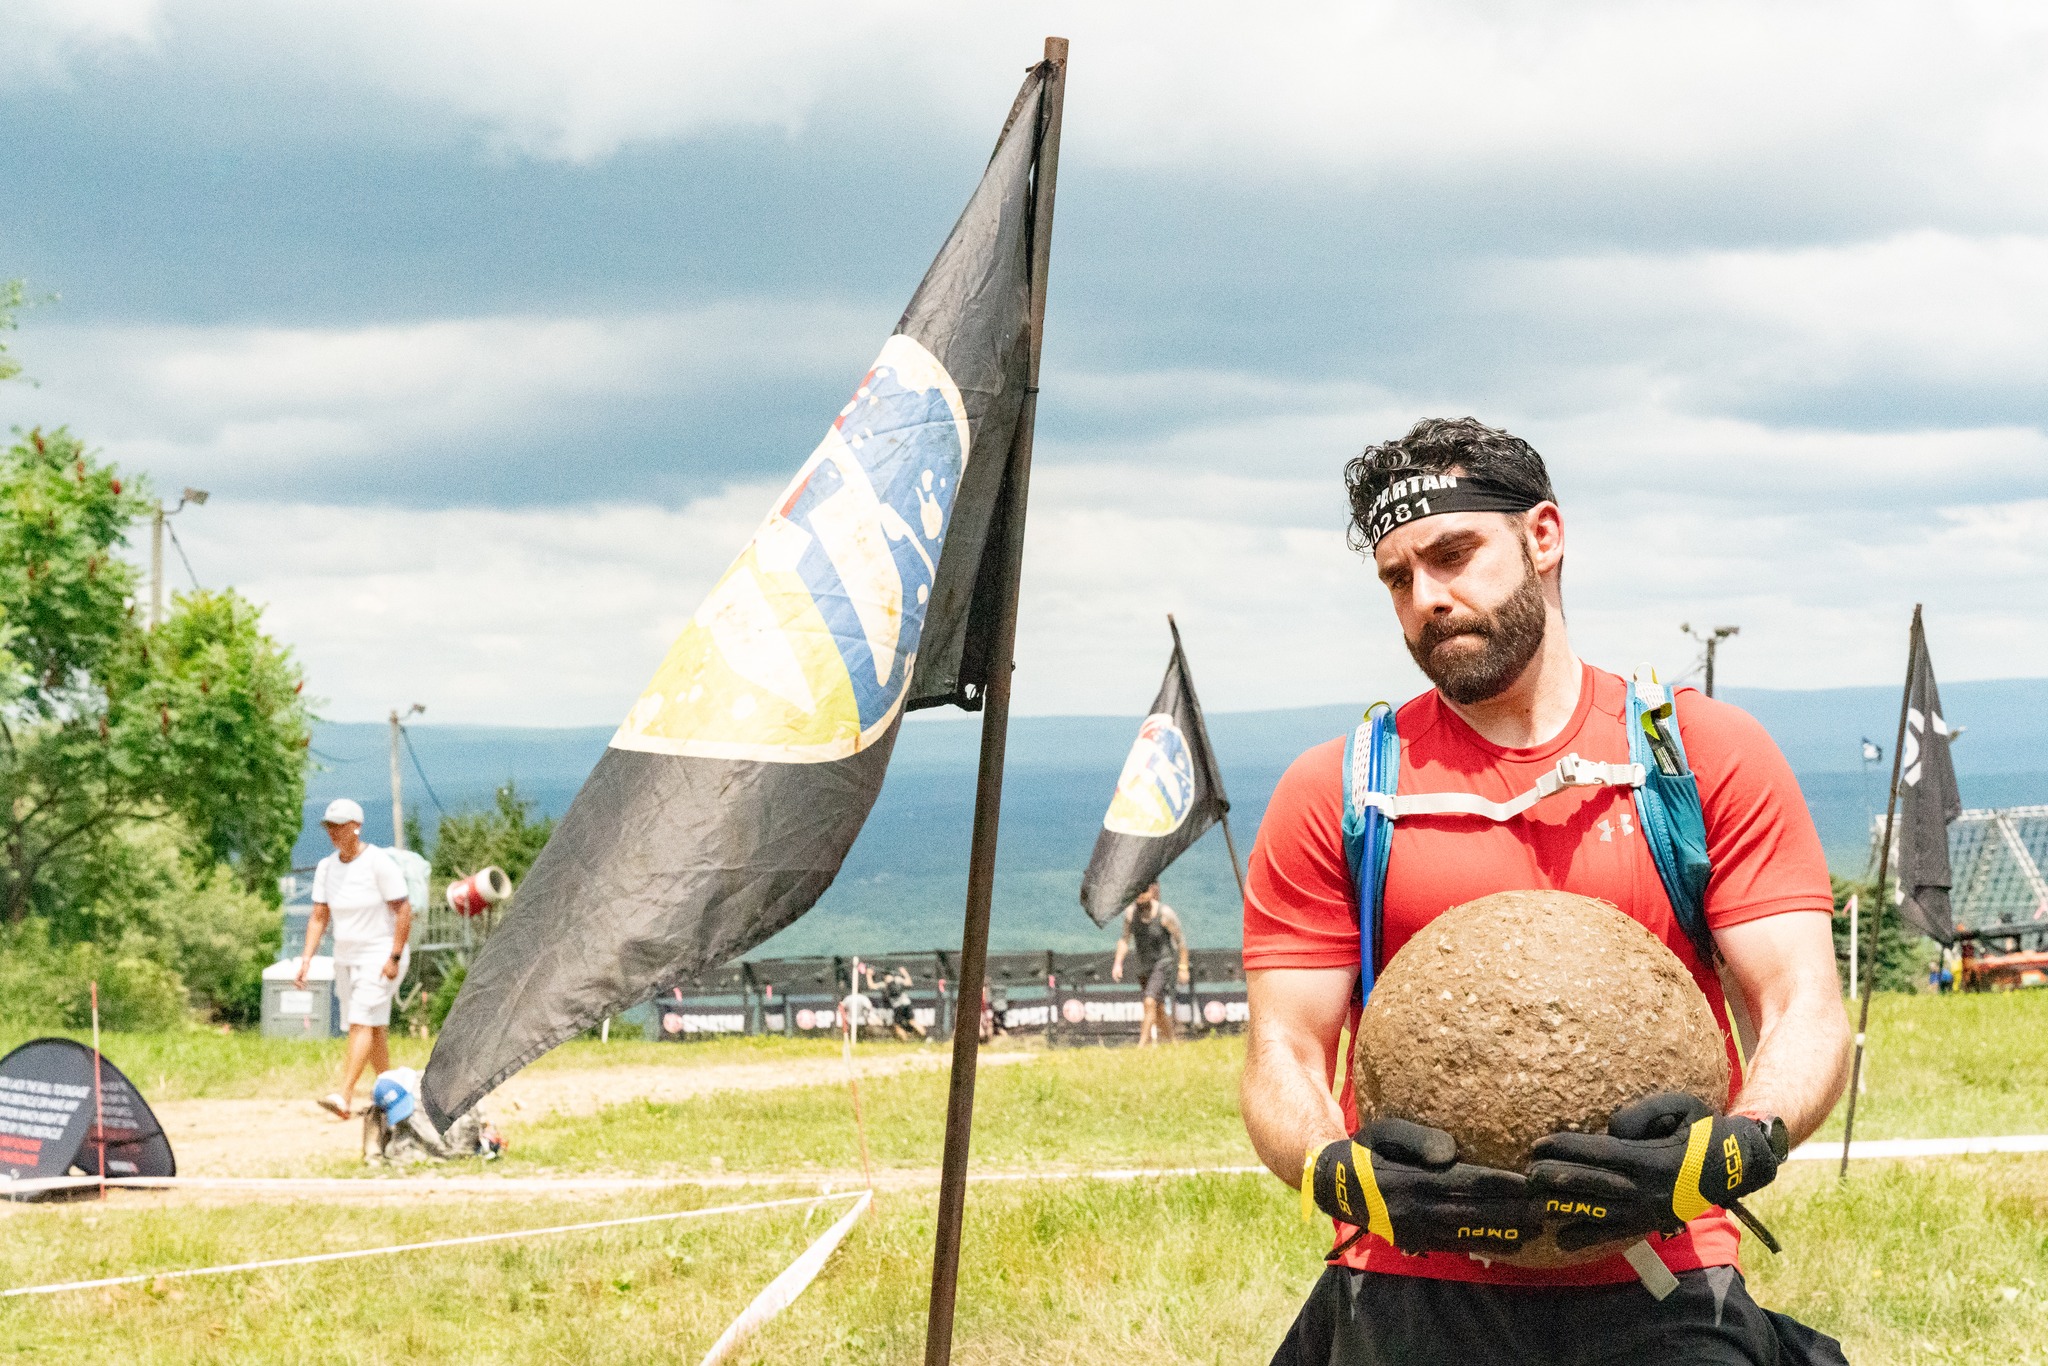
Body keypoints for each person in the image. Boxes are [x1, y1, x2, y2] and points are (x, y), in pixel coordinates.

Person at [1241, 419, 1852, 1365]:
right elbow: (1282, 1046)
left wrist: (1736, 1149)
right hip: (1416, 1278)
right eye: (1399, 578)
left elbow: (1802, 1006)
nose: (1428, 600)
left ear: (1544, 538)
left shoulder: (1700, 758)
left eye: (1453, 555)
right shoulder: (1343, 787)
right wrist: (1340, 1174)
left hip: (1663, 1267)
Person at [295, 798, 413, 1120]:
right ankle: (395, 1094)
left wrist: (395, 956)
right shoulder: (326, 867)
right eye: (329, 826)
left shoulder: (379, 863)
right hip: (346, 957)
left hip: (380, 955)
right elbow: (319, 915)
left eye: (339, 826)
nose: (332, 832)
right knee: (373, 1028)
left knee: (361, 1021)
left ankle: (343, 1096)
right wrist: (306, 959)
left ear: (356, 827)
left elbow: (403, 910)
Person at [1111, 882, 1190, 1046]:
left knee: (1149, 1001)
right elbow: (1125, 939)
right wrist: (1118, 963)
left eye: (1144, 891)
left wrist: (1183, 967)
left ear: (1151, 891)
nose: (1140, 896)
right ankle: (1173, 1043)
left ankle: (1142, 1045)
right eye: (1137, 892)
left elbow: (1181, 943)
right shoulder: (1131, 914)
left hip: (1163, 962)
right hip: (1144, 965)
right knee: (1158, 1008)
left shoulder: (1164, 914)